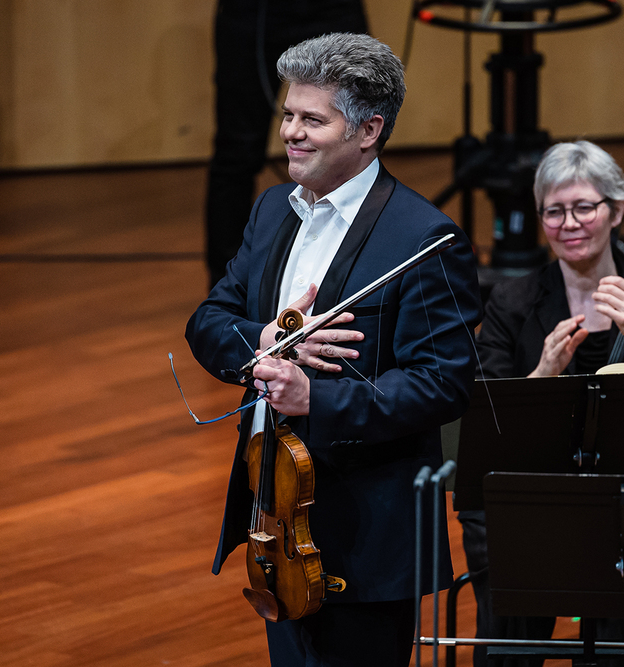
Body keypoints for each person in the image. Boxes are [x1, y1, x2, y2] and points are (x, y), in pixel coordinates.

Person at [186, 33, 482, 667]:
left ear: (368, 129)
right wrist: (261, 340)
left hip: (364, 529)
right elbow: (209, 320)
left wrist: (314, 397)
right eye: (289, 115)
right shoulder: (273, 211)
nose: (291, 132)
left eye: (312, 120)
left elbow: (444, 383)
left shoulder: (425, 238)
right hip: (275, 515)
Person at [461, 140, 624, 667]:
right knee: (512, 643)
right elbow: (488, 422)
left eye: (584, 207)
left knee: (617, 647)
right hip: (533, 504)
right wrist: (544, 372)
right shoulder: (512, 304)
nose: (569, 223)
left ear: (616, 211)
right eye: (554, 211)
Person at [205, 0, 367, 288]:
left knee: (353, 149)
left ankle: (352, 279)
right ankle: (227, 290)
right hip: (252, 13)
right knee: (237, 153)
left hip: (333, 10)